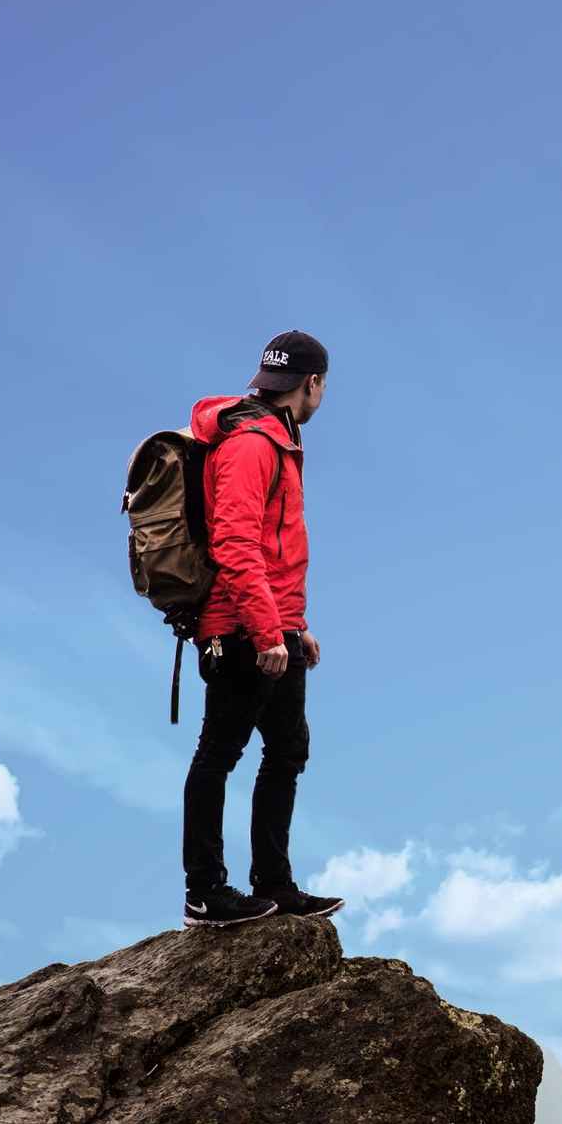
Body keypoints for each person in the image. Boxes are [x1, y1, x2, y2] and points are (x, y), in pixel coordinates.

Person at [179, 330, 347, 928]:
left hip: (274, 623)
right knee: (219, 754)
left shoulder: (279, 437)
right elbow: (235, 543)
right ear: (314, 384)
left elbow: (276, 549)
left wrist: (295, 626)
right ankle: (204, 892)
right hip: (239, 627)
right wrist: (266, 631)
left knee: (287, 751)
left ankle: (273, 883)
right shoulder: (252, 444)